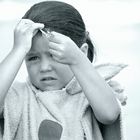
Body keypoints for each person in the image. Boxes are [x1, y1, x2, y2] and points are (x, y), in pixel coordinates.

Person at [0, 1, 126, 140]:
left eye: (54, 55)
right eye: (33, 58)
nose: (44, 67)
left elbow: (109, 115)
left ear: (81, 53)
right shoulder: (18, 97)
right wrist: (18, 49)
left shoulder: (93, 93)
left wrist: (78, 60)